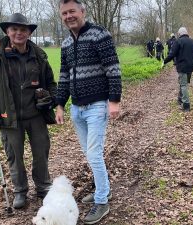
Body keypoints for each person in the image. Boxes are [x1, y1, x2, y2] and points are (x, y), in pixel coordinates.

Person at [0, 13, 57, 209]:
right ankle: (20, 191)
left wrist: (50, 100)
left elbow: (51, 83)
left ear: (29, 33)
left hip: (35, 115)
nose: (19, 33)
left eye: (23, 30)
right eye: (14, 29)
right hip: (7, 116)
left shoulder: (39, 55)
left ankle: (44, 188)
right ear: (7, 31)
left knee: (41, 153)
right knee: (14, 156)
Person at [56, 0, 122, 224]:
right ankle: (104, 190)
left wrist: (114, 100)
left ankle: (102, 201)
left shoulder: (99, 35)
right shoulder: (65, 43)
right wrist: (60, 104)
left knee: (94, 155)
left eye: (72, 11)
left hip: (97, 106)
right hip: (77, 108)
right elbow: (64, 75)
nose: (68, 16)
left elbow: (112, 68)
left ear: (83, 11)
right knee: (91, 155)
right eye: (64, 13)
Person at [163, 27, 193, 111]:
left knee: (183, 85)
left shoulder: (178, 41)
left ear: (179, 34)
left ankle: (186, 105)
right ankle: (180, 99)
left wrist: (164, 61)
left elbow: (172, 54)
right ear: (186, 33)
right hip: (191, 67)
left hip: (182, 67)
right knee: (183, 82)